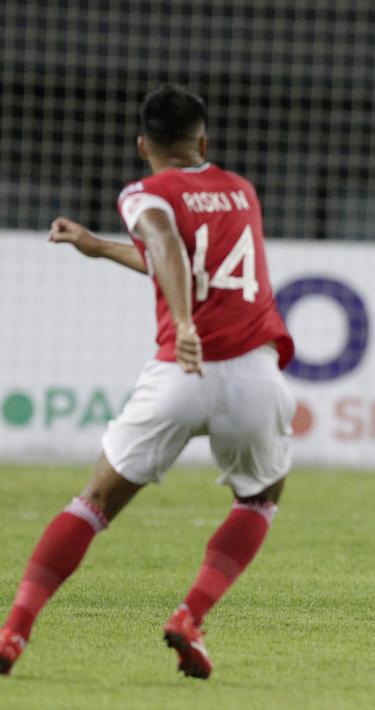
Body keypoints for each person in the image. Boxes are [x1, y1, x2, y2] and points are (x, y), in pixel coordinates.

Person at [0, 85, 296, 679]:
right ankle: (190, 615)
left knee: (93, 503)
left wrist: (184, 324)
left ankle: (14, 632)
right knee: (260, 499)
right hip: (252, 374)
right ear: (203, 142)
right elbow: (177, 257)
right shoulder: (241, 190)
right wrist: (101, 248)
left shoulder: (144, 193)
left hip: (179, 373)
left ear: (143, 146)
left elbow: (165, 245)